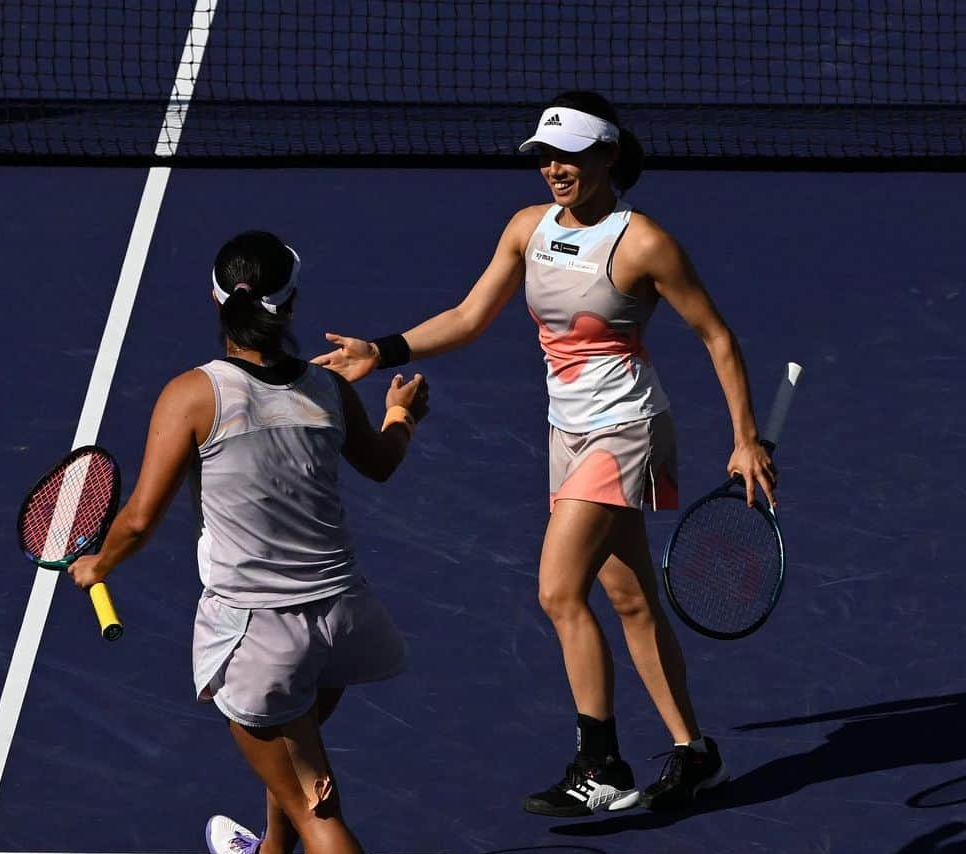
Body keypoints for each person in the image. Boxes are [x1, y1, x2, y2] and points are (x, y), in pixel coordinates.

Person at [312, 91, 778, 817]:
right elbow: (470, 316)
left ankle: (600, 765)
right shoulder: (528, 229)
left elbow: (716, 336)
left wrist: (745, 439)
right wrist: (383, 349)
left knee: (559, 590)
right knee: (627, 597)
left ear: (608, 156)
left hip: (625, 428)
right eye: (545, 157)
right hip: (567, 431)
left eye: (570, 157)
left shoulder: (643, 243)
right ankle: (695, 753)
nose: (555, 170)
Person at [67, 230, 442, 854]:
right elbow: (379, 461)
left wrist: (97, 567)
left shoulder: (192, 395)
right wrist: (401, 413)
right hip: (346, 623)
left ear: (217, 301)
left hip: (261, 640)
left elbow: (137, 521)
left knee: (315, 800)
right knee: (291, 748)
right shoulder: (326, 391)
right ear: (293, 305)